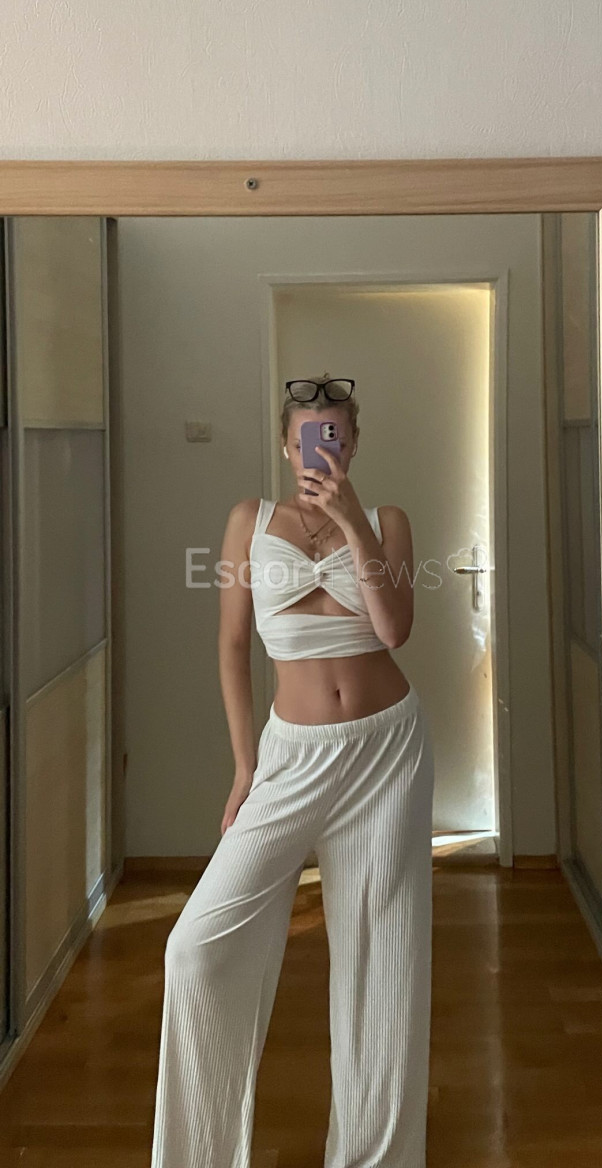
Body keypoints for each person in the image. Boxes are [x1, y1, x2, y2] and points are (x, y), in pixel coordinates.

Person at [150, 373, 435, 1168]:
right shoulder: (248, 522)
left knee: (383, 970)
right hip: (290, 757)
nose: (322, 447)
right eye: (309, 434)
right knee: (195, 949)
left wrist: (351, 520)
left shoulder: (385, 522)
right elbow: (231, 645)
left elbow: (394, 629)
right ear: (285, 444)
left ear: (354, 442)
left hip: (387, 752)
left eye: (335, 434)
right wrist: (245, 765)